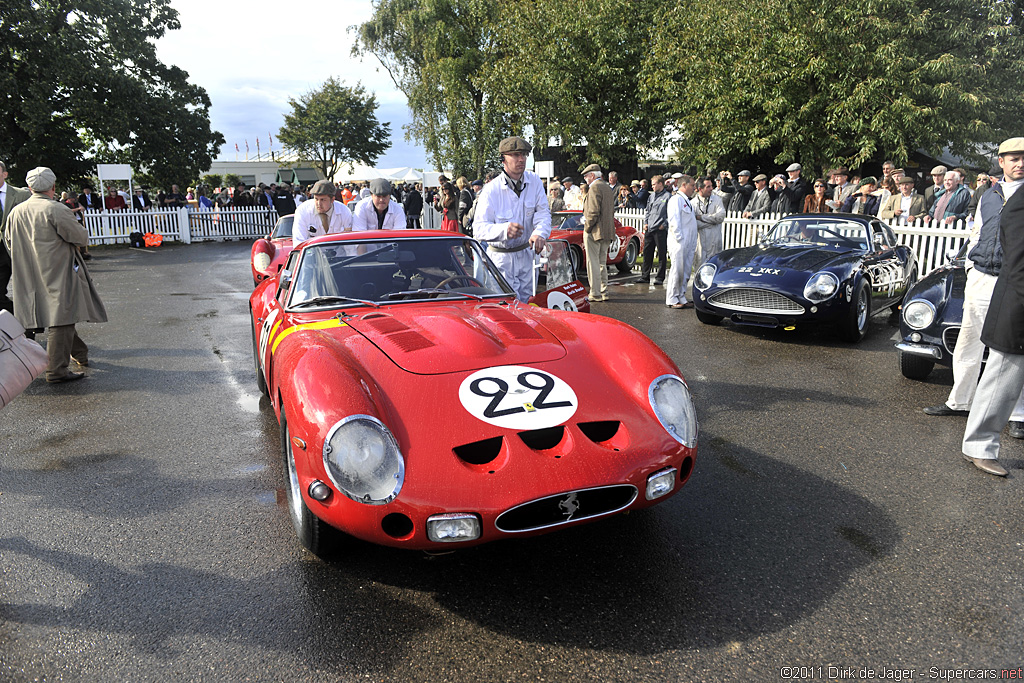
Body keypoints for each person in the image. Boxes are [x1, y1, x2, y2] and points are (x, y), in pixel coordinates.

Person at [925, 138, 1024, 444]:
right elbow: (977, 232)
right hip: (981, 276)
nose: (1020, 163)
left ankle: (1018, 415)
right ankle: (960, 401)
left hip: (1012, 281)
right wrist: (970, 267)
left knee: (1011, 350)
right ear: (1002, 161)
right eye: (1014, 158)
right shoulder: (989, 194)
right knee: (968, 341)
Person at [3, 167, 107, 383]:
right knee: (62, 318)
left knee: (60, 315)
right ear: (53, 187)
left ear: (30, 187)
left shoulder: (16, 212)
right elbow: (80, 237)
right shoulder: (56, 209)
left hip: (27, 273)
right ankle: (56, 370)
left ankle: (80, 354)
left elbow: (9, 244)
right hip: (57, 270)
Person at [960, 173, 1024, 476]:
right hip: (1017, 300)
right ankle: (979, 446)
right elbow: (1018, 262)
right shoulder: (1017, 203)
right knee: (1003, 376)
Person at [472, 135, 551, 302]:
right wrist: (503, 230)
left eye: (523, 154)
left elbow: (543, 212)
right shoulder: (491, 190)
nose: (521, 159)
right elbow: (478, 228)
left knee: (529, 305)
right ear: (503, 159)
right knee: (505, 309)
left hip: (527, 255)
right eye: (515, 155)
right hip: (501, 260)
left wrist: (540, 233)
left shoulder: (535, 182)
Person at [581, 163, 615, 302]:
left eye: (586, 176)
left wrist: (587, 227)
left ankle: (595, 293)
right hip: (607, 230)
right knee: (601, 262)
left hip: (594, 230)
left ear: (593, 175)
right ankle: (604, 291)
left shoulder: (594, 187)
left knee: (592, 263)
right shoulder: (606, 186)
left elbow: (593, 212)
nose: (585, 178)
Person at [1, 162, 32, 314]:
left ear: (4, 174)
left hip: (19, 249)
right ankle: (16, 320)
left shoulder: (22, 195)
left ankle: (31, 327)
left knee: (28, 290)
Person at [665, 175, 698, 309]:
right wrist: (680, 240)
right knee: (677, 270)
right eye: (692, 185)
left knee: (685, 271)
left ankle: (681, 296)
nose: (694, 188)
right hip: (679, 242)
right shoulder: (675, 200)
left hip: (689, 242)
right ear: (684, 185)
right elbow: (674, 222)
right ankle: (672, 298)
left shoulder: (687, 201)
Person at [292, 180, 354, 244]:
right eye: (316, 199)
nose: (319, 204)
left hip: (340, 252)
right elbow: (299, 241)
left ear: (332, 199)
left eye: (323, 200)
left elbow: (349, 243)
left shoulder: (344, 211)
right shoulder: (303, 211)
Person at [637, 175, 671, 285]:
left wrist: (664, 225)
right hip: (650, 228)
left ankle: (659, 278)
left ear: (661, 184)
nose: (652, 186)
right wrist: (645, 223)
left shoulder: (668, 197)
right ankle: (645, 276)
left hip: (660, 229)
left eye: (654, 184)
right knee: (647, 253)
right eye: (651, 184)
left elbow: (671, 214)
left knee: (661, 254)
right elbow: (648, 210)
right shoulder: (651, 197)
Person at [693, 176, 726, 269]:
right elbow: (695, 224)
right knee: (700, 270)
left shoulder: (717, 200)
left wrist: (701, 217)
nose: (711, 188)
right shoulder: (693, 203)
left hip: (715, 242)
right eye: (708, 187)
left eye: (711, 186)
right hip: (700, 245)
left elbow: (720, 217)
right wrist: (713, 221)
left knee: (715, 270)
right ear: (700, 189)